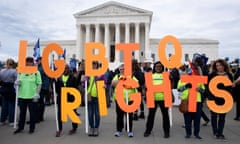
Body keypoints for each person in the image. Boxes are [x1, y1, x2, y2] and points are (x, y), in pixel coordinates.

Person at [14, 57, 42, 134]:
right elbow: (18, 82)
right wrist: (16, 83)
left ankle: (31, 128)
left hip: (32, 96)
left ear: (33, 63)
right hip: (22, 96)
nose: (28, 63)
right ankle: (20, 127)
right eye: (27, 62)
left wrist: (37, 93)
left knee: (32, 114)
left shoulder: (36, 72)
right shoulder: (21, 72)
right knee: (22, 113)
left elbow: (39, 83)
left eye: (30, 62)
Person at [207, 59, 233, 140]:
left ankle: (220, 133)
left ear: (224, 66)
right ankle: (215, 132)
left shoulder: (229, 75)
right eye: (217, 66)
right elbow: (208, 87)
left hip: (225, 99)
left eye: (220, 65)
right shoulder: (212, 75)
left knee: (222, 117)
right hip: (213, 99)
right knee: (214, 116)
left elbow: (230, 88)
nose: (219, 67)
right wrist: (209, 98)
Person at [143, 61, 170, 138]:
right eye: (157, 66)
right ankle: (148, 130)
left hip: (163, 98)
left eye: (160, 66)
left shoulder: (165, 76)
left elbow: (170, 86)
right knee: (151, 116)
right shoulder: (151, 76)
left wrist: (171, 80)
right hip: (153, 98)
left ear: (162, 68)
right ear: (154, 67)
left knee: (165, 116)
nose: (158, 68)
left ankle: (166, 132)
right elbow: (146, 87)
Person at [112, 64, 138, 138]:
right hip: (119, 99)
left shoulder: (131, 76)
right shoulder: (117, 76)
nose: (122, 70)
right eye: (121, 69)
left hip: (129, 100)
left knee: (129, 115)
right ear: (119, 70)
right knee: (119, 115)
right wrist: (123, 81)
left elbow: (136, 84)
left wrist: (127, 82)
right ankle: (119, 130)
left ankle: (129, 130)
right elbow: (113, 83)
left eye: (124, 69)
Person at [177, 69, 205, 139]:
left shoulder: (199, 80)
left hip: (197, 102)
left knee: (197, 119)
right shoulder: (182, 80)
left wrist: (199, 89)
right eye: (189, 73)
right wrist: (186, 86)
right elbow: (179, 89)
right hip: (186, 102)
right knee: (187, 119)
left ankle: (196, 134)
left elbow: (203, 90)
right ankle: (188, 133)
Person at [82, 61, 105, 137]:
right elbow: (83, 86)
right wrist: (83, 81)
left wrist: (104, 85)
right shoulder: (88, 74)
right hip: (89, 95)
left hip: (98, 95)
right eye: (92, 64)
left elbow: (105, 82)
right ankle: (92, 127)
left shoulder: (100, 74)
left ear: (97, 65)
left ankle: (96, 128)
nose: (94, 65)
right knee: (90, 113)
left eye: (95, 64)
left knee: (97, 113)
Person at [55, 64, 79, 137]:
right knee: (60, 114)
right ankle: (59, 129)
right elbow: (57, 90)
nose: (65, 70)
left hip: (71, 99)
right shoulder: (59, 78)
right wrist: (55, 82)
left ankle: (74, 128)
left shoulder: (73, 78)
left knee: (73, 114)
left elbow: (75, 88)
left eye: (66, 69)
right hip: (61, 98)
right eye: (63, 69)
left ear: (69, 70)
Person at [0, 58, 17, 126]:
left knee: (4, 105)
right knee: (11, 105)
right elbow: (17, 80)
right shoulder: (14, 71)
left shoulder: (2, 71)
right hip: (10, 88)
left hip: (3, 88)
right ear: (13, 64)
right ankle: (11, 121)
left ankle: (2, 120)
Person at [36, 57, 50, 123]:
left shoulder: (41, 68)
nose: (37, 62)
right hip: (44, 86)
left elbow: (38, 76)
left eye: (38, 60)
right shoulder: (45, 67)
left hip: (42, 86)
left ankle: (38, 117)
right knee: (41, 102)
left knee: (39, 102)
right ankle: (40, 117)